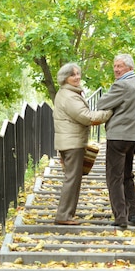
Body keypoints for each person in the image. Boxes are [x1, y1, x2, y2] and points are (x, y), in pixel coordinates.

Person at [53, 62, 112, 226]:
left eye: (78, 74)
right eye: (73, 75)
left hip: (70, 141)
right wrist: (109, 113)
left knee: (73, 178)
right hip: (72, 143)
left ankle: (66, 214)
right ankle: (64, 215)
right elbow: (87, 117)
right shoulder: (69, 96)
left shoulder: (69, 93)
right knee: (72, 179)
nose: (77, 77)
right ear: (65, 78)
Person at [97, 53, 135, 230]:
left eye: (119, 66)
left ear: (129, 68)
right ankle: (133, 214)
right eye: (115, 66)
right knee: (127, 175)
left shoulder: (122, 85)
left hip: (117, 137)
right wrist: (132, 122)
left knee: (114, 178)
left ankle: (120, 217)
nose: (116, 69)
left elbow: (102, 103)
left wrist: (121, 119)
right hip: (133, 138)